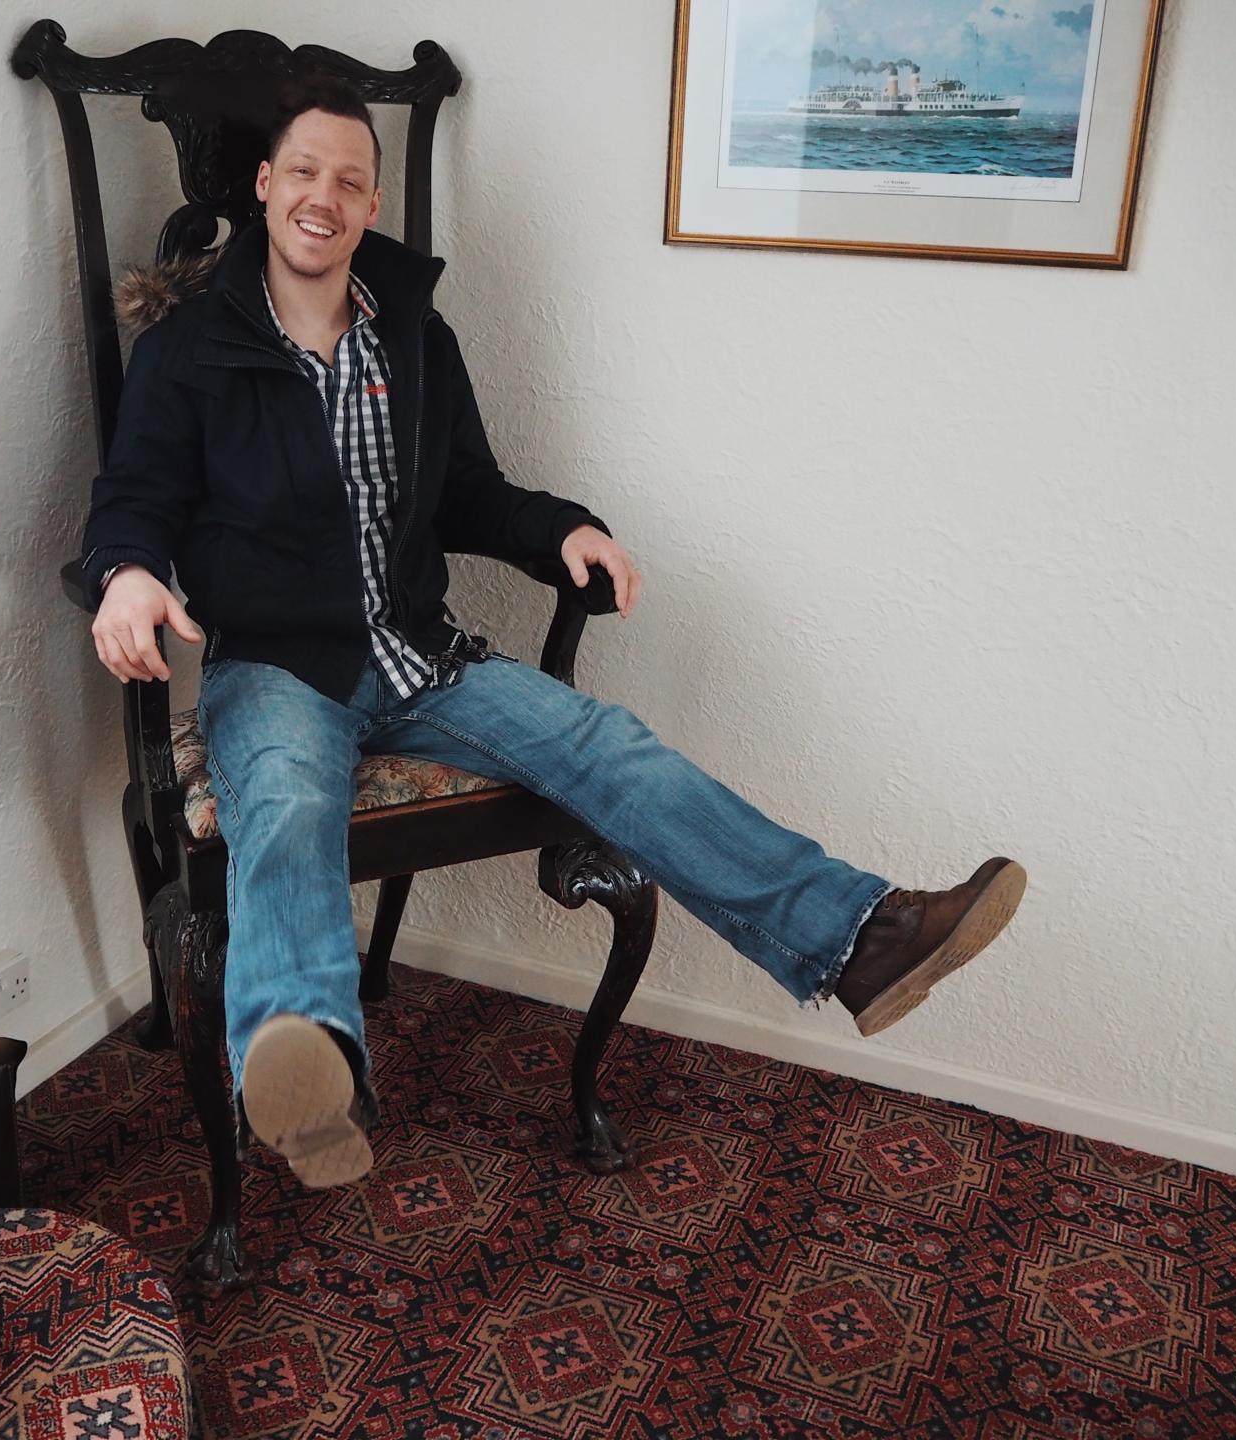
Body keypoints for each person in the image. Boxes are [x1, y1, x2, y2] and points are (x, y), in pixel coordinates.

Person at [79, 78, 1026, 1191]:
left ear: (372, 203)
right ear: (263, 184)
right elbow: (131, 498)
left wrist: (565, 530)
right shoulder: (189, 349)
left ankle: (859, 938)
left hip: (420, 660)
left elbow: (470, 493)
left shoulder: (414, 337)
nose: (321, 197)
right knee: (285, 801)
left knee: (609, 744)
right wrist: (126, 575)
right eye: (302, 172)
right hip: (280, 668)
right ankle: (311, 1072)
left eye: (348, 179)